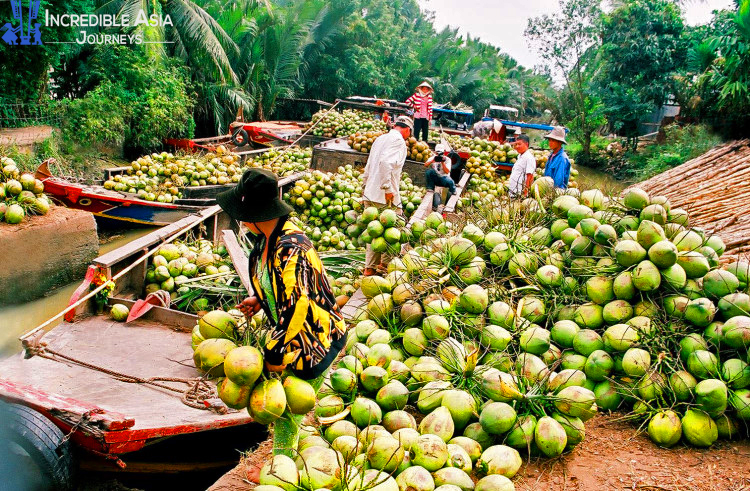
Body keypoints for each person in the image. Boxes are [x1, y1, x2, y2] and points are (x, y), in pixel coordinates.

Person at [216, 168, 347, 457]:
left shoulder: (292, 248)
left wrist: (274, 356)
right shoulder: (266, 239)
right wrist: (260, 300)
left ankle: (282, 467)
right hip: (290, 336)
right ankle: (288, 452)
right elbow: (278, 285)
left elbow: (298, 305)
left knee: (287, 411)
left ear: (252, 212)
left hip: (314, 338)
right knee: (285, 406)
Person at [361, 116, 413, 276]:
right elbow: (385, 163)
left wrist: (364, 187)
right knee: (392, 232)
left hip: (370, 193)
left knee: (374, 233)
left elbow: (369, 165)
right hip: (385, 196)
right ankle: (385, 267)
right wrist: (387, 187)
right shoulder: (398, 141)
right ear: (407, 129)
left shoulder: (380, 139)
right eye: (410, 133)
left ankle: (370, 268)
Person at [424, 144, 456, 212]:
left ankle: (452, 191)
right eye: (437, 153)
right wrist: (432, 161)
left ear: (444, 152)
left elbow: (447, 171)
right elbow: (425, 165)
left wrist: (442, 162)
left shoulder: (447, 159)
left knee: (450, 182)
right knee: (429, 172)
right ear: (435, 152)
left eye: (441, 153)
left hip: (444, 178)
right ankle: (430, 188)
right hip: (436, 179)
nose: (439, 155)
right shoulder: (433, 158)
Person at [507, 134, 536, 198]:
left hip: (519, 193)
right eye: (516, 144)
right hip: (513, 192)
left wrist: (525, 192)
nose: (517, 146)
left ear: (527, 144)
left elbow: (530, 176)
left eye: (519, 144)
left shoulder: (529, 158)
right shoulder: (519, 156)